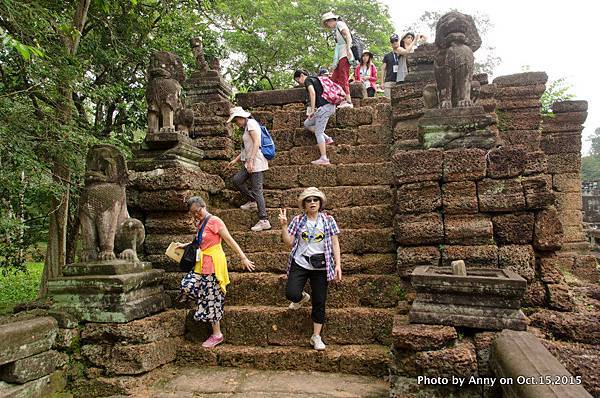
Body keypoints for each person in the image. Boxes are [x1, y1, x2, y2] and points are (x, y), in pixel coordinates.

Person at [176, 196, 256, 348]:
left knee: (212, 298)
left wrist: (243, 258)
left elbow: (229, 240)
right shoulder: (199, 223)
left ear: (203, 206)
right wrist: (184, 245)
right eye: (193, 213)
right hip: (201, 263)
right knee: (187, 286)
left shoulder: (215, 221)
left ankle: (217, 334)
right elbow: (198, 242)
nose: (196, 215)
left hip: (214, 263)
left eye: (198, 211)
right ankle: (203, 304)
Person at [278, 187, 342, 350]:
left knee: (319, 301)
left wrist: (338, 265)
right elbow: (289, 242)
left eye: (315, 200)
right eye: (309, 200)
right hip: (300, 262)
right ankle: (301, 298)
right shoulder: (299, 220)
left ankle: (316, 336)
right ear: (304, 204)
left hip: (321, 265)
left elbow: (335, 242)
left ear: (320, 203)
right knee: (291, 293)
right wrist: (284, 226)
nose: (312, 203)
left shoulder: (328, 220)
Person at [227, 106, 271, 232]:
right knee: (237, 180)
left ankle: (264, 220)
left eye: (236, 121)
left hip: (256, 161)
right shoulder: (246, 127)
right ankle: (252, 201)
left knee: (257, 190)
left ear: (241, 117)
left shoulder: (251, 123)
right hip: (250, 162)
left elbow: (257, 142)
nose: (236, 123)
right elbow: (248, 147)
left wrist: (251, 160)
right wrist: (235, 160)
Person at [294, 70, 336, 166]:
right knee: (307, 124)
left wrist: (312, 110)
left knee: (318, 133)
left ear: (301, 76)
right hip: (326, 107)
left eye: (297, 80)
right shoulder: (315, 79)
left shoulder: (308, 80)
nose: (299, 83)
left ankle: (324, 158)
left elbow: (312, 93)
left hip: (325, 108)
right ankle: (328, 139)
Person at [321, 11, 354, 108]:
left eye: (328, 22)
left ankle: (348, 101)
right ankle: (339, 99)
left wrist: (348, 49)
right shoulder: (336, 29)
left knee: (343, 76)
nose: (328, 24)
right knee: (334, 78)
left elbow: (347, 35)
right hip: (340, 55)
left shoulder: (340, 24)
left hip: (344, 54)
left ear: (331, 20)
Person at [380, 33, 423, 98]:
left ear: (399, 40)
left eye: (396, 40)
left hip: (400, 79)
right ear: (390, 43)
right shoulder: (391, 54)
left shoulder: (402, 49)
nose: (394, 42)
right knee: (388, 100)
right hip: (390, 80)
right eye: (392, 41)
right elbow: (383, 69)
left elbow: (408, 52)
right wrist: (382, 82)